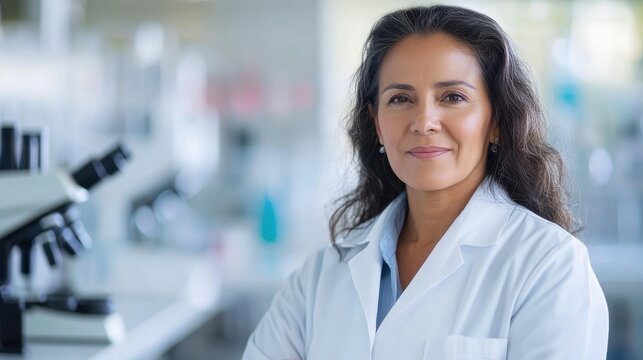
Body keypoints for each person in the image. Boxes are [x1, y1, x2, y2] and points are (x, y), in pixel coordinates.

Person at [242, 5, 609, 360]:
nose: (424, 121)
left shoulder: (548, 266)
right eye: (400, 99)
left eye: (452, 97)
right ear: (376, 124)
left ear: (496, 120)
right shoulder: (321, 276)